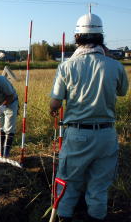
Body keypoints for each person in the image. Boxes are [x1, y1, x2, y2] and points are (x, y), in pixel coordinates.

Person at [50, 12, 129, 222]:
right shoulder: (115, 65)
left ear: (77, 38)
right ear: (101, 37)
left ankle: (64, 217)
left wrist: (54, 109)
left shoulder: (66, 66)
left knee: (68, 182)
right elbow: (122, 92)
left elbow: (55, 103)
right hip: (106, 135)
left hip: (77, 135)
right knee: (99, 186)